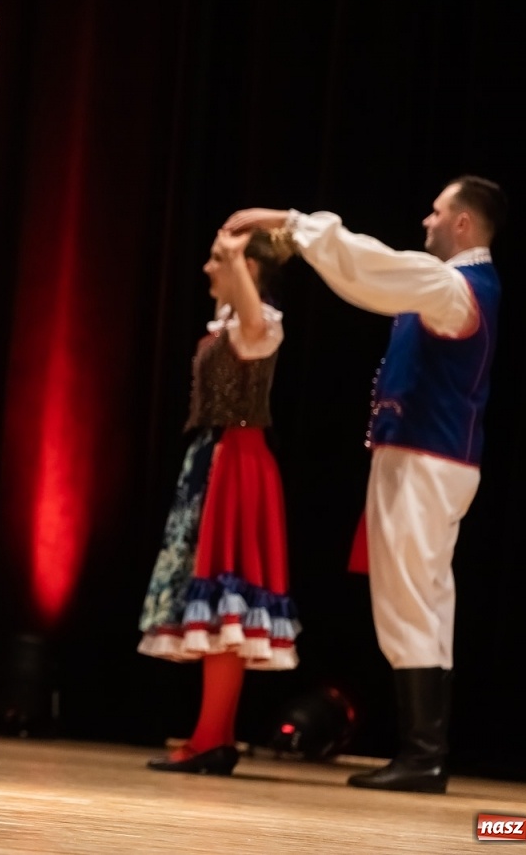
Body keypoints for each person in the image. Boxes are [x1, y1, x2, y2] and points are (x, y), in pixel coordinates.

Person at [225, 175, 505, 794]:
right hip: (426, 457)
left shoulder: (455, 285)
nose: (426, 222)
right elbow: (376, 276)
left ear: (463, 224)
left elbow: (372, 270)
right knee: (422, 599)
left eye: (437, 212)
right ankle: (423, 752)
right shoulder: (454, 287)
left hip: (428, 459)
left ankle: (425, 755)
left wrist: (292, 221)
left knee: (412, 599)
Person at [138, 227, 299, 776]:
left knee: (226, 606)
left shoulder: (259, 324)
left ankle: (212, 739)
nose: (208, 269)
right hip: (216, 457)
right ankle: (215, 736)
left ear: (249, 270)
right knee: (214, 612)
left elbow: (255, 324)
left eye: (219, 260)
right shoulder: (228, 326)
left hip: (239, 460)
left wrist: (238, 257)